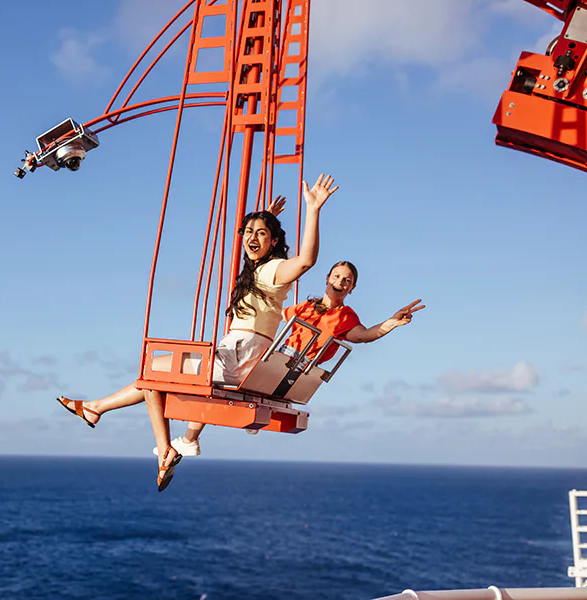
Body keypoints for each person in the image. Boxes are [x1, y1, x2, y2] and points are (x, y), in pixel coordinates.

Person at [56, 174, 340, 491]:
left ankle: (154, 442)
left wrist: (312, 210)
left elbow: (306, 261)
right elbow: (261, 246)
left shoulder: (272, 270)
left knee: (152, 372)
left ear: (274, 242)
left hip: (239, 357)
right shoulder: (258, 269)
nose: (252, 237)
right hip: (240, 355)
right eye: (248, 232)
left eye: (261, 234)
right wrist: (267, 219)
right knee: (152, 376)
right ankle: (97, 409)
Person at [161, 260, 425, 457]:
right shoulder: (306, 306)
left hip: (288, 368)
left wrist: (391, 323)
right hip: (280, 364)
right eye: (337, 276)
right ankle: (191, 439)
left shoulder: (345, 317)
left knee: (215, 376)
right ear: (327, 278)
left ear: (352, 288)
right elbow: (273, 314)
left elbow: (364, 335)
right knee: (225, 376)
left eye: (347, 280)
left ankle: (191, 438)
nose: (340, 282)